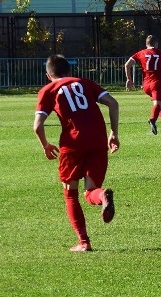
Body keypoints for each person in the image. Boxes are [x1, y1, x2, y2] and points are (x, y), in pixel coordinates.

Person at [34, 55, 120, 252]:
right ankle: (102, 196)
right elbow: (113, 103)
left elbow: (37, 125)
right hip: (98, 140)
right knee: (91, 192)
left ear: (48, 75)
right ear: (70, 71)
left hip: (72, 144)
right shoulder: (85, 82)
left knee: (70, 194)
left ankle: (84, 242)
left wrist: (45, 145)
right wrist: (113, 133)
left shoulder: (48, 90)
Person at [125, 35, 161, 135]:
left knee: (158, 102)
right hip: (157, 83)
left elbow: (127, 64)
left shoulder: (141, 53)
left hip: (145, 85)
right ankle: (153, 120)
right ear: (156, 44)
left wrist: (129, 79)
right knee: (157, 103)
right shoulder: (159, 53)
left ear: (146, 44)